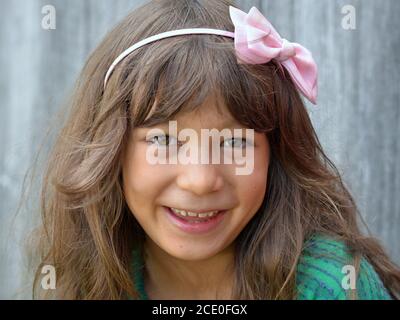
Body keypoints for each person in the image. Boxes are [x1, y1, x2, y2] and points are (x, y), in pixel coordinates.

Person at [33, 0, 400, 299]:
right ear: (110, 154)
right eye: (164, 140)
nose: (200, 181)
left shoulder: (332, 286)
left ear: (277, 155)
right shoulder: (92, 280)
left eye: (236, 143)